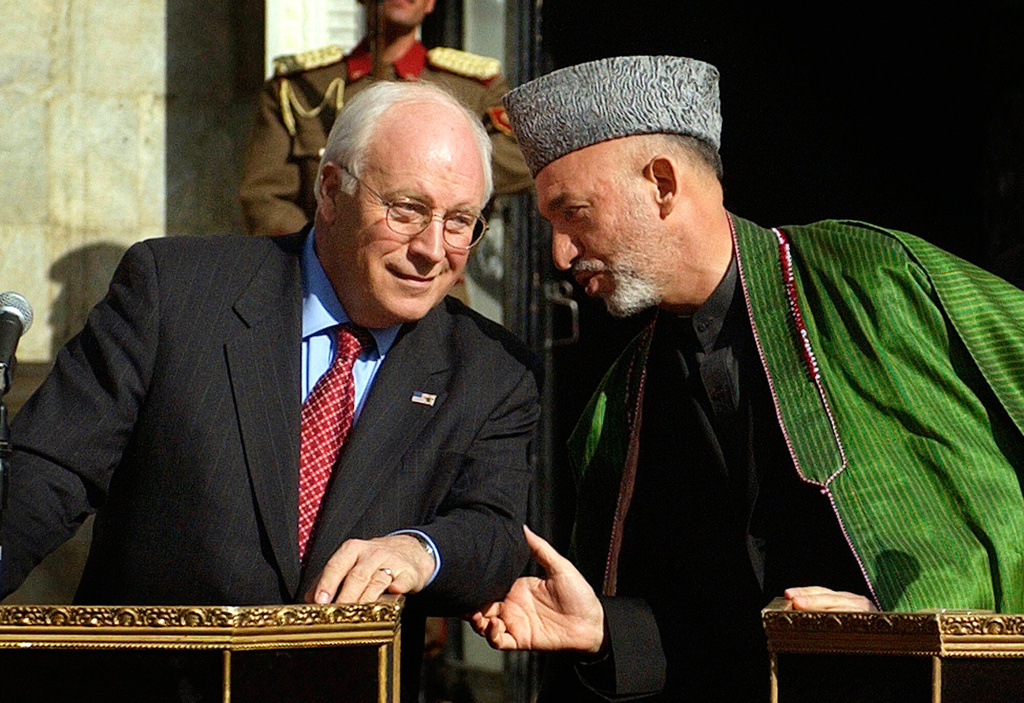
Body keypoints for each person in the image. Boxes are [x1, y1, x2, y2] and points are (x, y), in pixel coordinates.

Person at [470, 55, 1024, 701]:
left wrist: (901, 627)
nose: (562, 252)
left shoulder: (869, 278)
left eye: (575, 213)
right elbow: (705, 628)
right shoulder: (622, 399)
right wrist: (604, 628)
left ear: (662, 184)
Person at [1, 80, 540, 702]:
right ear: (331, 192)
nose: (431, 250)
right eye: (408, 210)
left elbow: (495, 533)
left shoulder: (492, 371)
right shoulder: (174, 293)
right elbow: (48, 473)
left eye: (460, 223)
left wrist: (420, 551)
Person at [240, 0, 532, 236]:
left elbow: (525, 159)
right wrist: (324, 249)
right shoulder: (299, 89)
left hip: (432, 275)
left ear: (431, 3)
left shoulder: (472, 89)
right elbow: (263, 198)